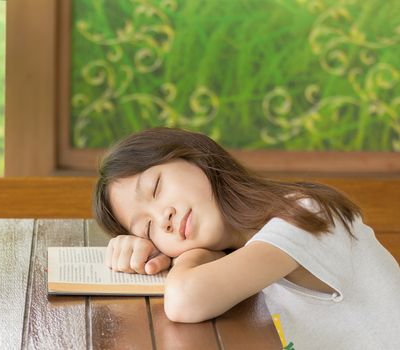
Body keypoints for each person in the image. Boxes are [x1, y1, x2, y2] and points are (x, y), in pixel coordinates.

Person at [93, 127, 400, 349]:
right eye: (148, 229)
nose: (164, 218)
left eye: (156, 187)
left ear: (193, 157)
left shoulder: (304, 214)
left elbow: (185, 300)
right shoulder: (243, 253)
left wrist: (191, 255)